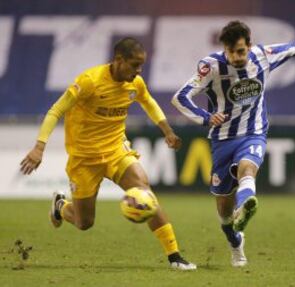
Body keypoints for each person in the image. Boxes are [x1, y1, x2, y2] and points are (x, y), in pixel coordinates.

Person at [172, 20, 295, 267]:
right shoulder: (211, 67)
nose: (235, 57)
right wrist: (205, 117)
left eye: (240, 51)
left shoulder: (263, 56)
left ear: (250, 45)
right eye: (230, 51)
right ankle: (235, 241)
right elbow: (180, 97)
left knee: (248, 168)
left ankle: (247, 202)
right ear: (224, 49)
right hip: (222, 140)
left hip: (253, 132)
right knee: (224, 212)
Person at [20, 37, 196, 271]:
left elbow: (149, 102)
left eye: (141, 65)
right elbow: (56, 111)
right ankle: (61, 206)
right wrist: (39, 147)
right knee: (84, 223)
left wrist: (167, 130)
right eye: (134, 64)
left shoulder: (135, 84)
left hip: (116, 151)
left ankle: (174, 256)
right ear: (119, 60)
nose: (138, 70)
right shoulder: (89, 81)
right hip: (84, 159)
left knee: (145, 192)